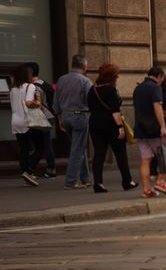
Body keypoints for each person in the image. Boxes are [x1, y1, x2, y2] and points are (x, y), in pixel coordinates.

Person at [87, 63, 136, 192]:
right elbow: (115, 111)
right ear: (112, 76)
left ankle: (98, 183)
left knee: (99, 154)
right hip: (110, 124)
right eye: (116, 75)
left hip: (94, 123)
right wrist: (120, 127)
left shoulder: (92, 89)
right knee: (120, 153)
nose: (118, 77)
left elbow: (90, 107)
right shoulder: (110, 90)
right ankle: (127, 181)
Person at [133, 66, 166, 198]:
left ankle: (146, 189)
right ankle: (161, 181)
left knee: (145, 159)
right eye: (162, 79)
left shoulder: (138, 88)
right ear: (159, 76)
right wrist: (163, 126)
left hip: (140, 129)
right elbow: (157, 106)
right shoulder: (156, 87)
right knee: (165, 153)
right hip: (154, 129)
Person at [53, 54, 94, 189]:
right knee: (77, 148)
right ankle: (70, 181)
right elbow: (91, 101)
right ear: (84, 66)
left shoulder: (61, 79)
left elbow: (56, 102)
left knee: (79, 147)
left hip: (65, 116)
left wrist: (60, 119)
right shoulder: (85, 81)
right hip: (80, 116)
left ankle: (85, 178)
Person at [25, 62, 57, 178]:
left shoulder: (33, 87)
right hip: (49, 116)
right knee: (46, 142)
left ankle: (48, 168)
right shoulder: (46, 85)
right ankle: (50, 168)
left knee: (43, 144)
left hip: (40, 117)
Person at [9, 68, 35, 186]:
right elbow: (29, 103)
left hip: (15, 119)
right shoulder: (30, 87)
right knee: (30, 148)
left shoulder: (13, 89)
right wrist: (38, 102)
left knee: (23, 147)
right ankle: (28, 171)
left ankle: (25, 171)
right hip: (26, 119)